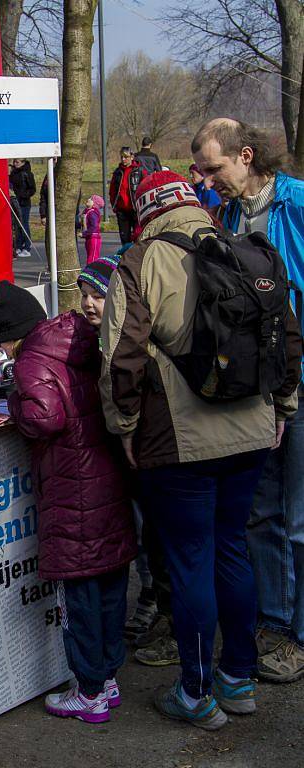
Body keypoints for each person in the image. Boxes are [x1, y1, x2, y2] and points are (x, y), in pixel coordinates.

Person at [99, 170, 301, 730]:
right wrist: (283, 409)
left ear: (144, 213)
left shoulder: (141, 261)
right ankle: (238, 679)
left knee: (190, 558)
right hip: (253, 431)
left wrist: (126, 428)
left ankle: (195, 690)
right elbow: (287, 337)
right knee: (231, 548)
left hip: (180, 443)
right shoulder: (247, 250)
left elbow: (122, 357)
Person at [0, 280, 137, 725]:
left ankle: (88, 689)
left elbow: (44, 417)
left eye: (1, 345)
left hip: (71, 491)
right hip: (106, 483)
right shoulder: (77, 337)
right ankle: (106, 679)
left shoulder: (31, 360)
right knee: (109, 588)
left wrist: (13, 400)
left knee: (80, 596)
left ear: (11, 336)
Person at [193, 117, 304, 682]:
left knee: (300, 516)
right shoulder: (229, 217)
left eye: (215, 169)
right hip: (259, 389)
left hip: (300, 379)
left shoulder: (298, 205)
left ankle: (298, 636)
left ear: (245, 153)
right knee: (261, 511)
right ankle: (274, 624)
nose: (209, 182)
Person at [109, 148, 147, 245]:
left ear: (132, 157)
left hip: (136, 210)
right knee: (124, 238)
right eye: (121, 157)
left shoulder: (140, 171)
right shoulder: (117, 172)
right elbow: (112, 190)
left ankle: (136, 258)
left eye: (126, 157)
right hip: (122, 210)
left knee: (138, 237)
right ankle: (125, 257)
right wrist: (114, 205)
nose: (123, 159)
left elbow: (147, 187)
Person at [9, 158, 36, 258]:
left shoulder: (27, 173)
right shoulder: (13, 173)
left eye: (17, 162)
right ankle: (18, 245)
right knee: (16, 225)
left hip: (24, 203)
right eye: (14, 162)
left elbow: (33, 189)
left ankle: (27, 247)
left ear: (23, 163)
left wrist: (23, 195)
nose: (15, 164)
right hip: (15, 202)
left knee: (24, 223)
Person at [81, 195, 104, 264]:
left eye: (91, 199)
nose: (88, 199)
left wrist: (84, 234)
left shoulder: (92, 213)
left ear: (94, 204)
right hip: (89, 238)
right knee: (90, 257)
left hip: (94, 238)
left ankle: (91, 273)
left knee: (92, 259)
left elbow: (94, 227)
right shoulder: (87, 212)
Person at [9, 182, 23, 260]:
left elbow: (18, 210)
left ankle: (13, 253)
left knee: (12, 237)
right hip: (8, 222)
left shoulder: (12, 199)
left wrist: (20, 221)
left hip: (12, 221)